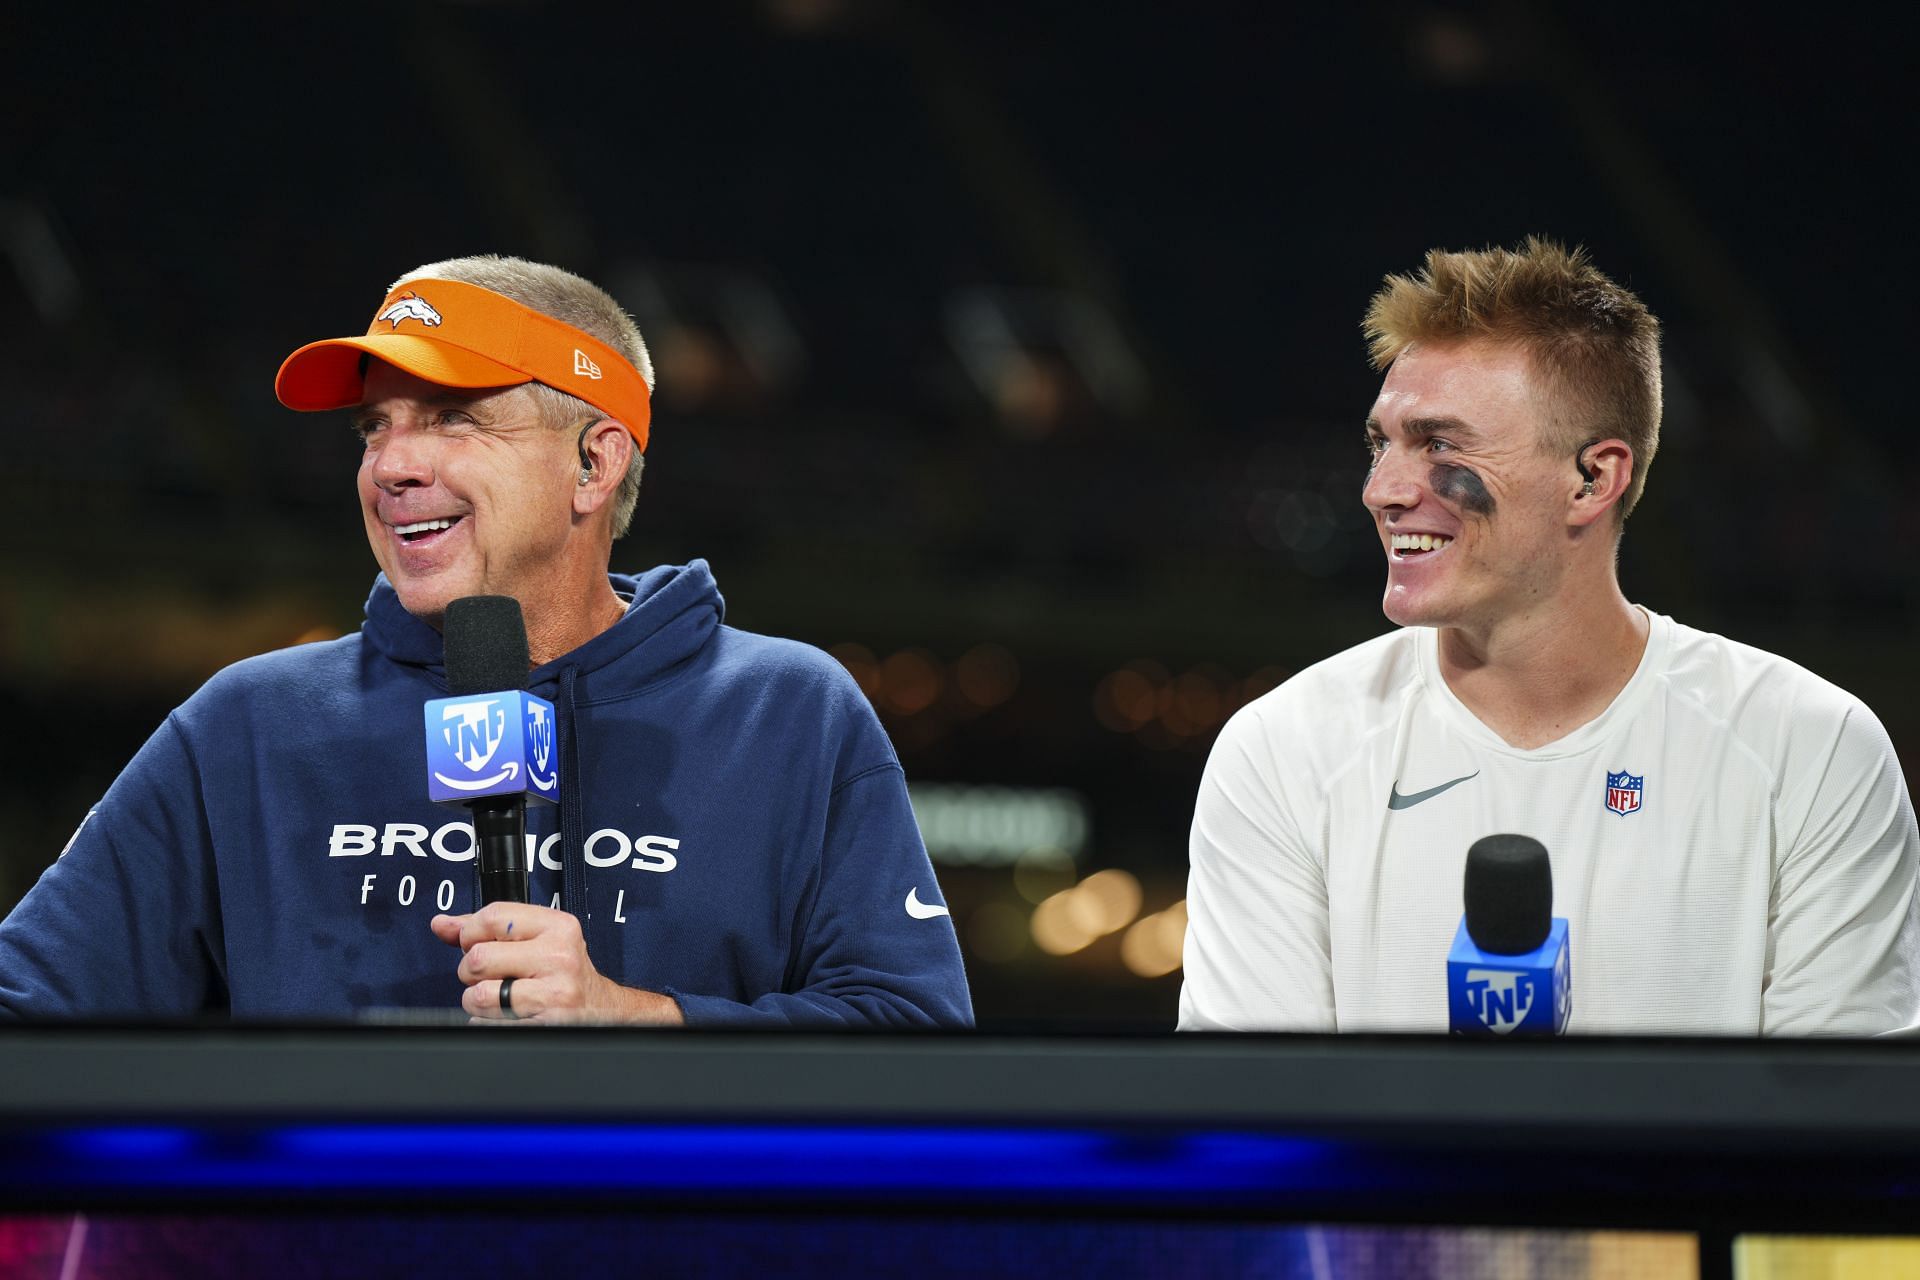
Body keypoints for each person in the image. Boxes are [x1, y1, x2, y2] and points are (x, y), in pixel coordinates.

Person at [0, 256, 972, 1028]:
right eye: (373, 428)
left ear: (595, 462)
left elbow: (915, 1037)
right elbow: (29, 1007)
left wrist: (633, 1018)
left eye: (453, 418)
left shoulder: (787, 711)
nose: (390, 466)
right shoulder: (251, 723)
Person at [1180, 238, 1918, 1036]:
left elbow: (1831, 1135)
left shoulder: (1811, 752)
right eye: (1381, 443)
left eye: (1440, 444)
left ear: (1593, 479)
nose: (1381, 491)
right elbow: (1261, 1125)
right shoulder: (1284, 752)